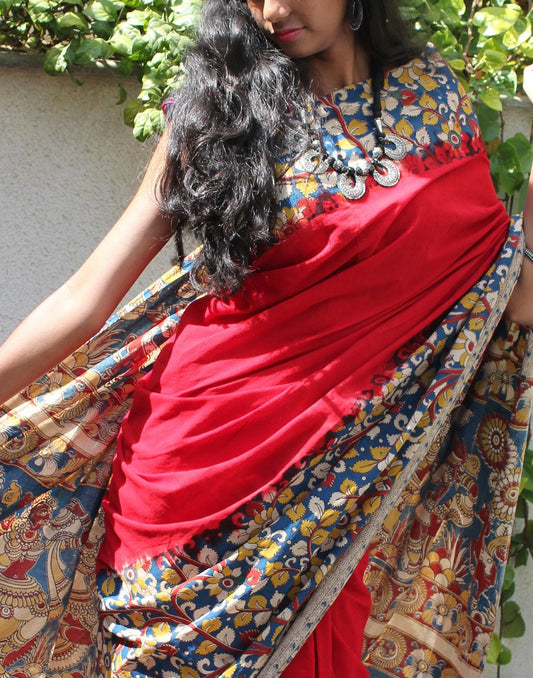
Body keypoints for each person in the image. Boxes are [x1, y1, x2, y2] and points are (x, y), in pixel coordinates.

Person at [0, 1, 532, 677]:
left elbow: (513, 296)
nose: (274, 9)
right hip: (188, 481)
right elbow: (86, 298)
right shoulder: (219, 115)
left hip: (331, 501)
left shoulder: (433, 94)